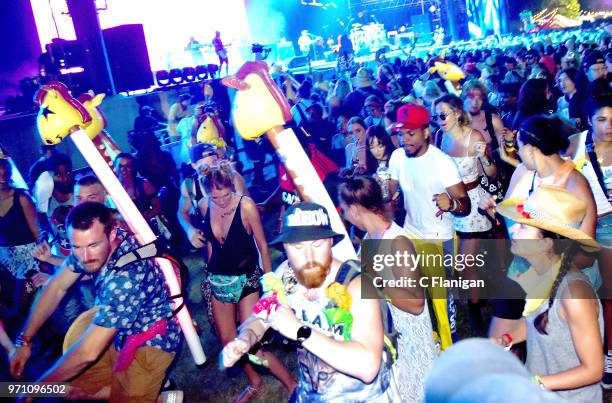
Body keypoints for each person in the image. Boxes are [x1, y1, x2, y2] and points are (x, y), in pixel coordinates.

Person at [221, 202, 397, 402]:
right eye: (298, 247)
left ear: (330, 241)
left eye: (317, 244)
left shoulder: (357, 285)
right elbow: (260, 317)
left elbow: (367, 368)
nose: (309, 257)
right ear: (285, 247)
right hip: (311, 395)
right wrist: (245, 337)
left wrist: (300, 330)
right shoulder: (285, 277)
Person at [10, 202, 182, 402]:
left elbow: (87, 353)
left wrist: (34, 389)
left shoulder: (127, 277)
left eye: (93, 245)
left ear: (111, 235)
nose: (85, 257)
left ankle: (163, 396)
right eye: (77, 247)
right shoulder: (88, 248)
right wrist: (25, 340)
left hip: (150, 342)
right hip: (116, 331)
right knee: (76, 389)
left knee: (114, 391)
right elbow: (56, 287)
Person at [480, 114, 598, 341]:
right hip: (519, 270)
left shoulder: (575, 184)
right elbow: (516, 226)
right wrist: (496, 212)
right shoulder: (524, 173)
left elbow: (587, 253)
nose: (516, 152)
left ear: (532, 148)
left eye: (519, 145)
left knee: (543, 346)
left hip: (555, 285)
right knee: (498, 341)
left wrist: (546, 270)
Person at [494, 185, 603, 402]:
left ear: (546, 243)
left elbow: (594, 369)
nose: (514, 230)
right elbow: (545, 324)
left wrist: (533, 383)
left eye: (524, 228)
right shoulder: (540, 275)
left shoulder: (574, 294)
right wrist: (506, 338)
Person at [197, 164, 296, 401]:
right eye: (214, 196)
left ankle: (291, 384)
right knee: (227, 341)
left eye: (225, 195)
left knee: (249, 342)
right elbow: (211, 243)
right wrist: (209, 272)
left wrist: (271, 284)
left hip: (246, 279)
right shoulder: (204, 206)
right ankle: (254, 380)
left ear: (232, 187)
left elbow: (262, 245)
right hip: (219, 281)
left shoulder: (246, 206)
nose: (220, 201)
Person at [338, 176, 436, 402]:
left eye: (344, 209)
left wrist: (375, 282)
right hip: (390, 335)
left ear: (354, 209)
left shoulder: (397, 241)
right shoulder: (368, 239)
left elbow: (416, 303)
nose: (344, 215)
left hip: (409, 338)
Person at [388, 103, 470, 345]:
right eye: (401, 134)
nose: (404, 140)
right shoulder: (397, 157)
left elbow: (465, 206)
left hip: (439, 238)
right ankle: (424, 343)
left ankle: (449, 348)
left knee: (441, 303)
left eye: (410, 133)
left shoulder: (442, 163)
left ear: (425, 132)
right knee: (412, 296)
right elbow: (390, 194)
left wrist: (452, 204)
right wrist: (384, 193)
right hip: (410, 234)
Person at [433, 94, 496, 334]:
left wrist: (487, 159)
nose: (439, 120)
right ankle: (466, 307)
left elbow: (489, 171)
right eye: (436, 116)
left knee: (465, 263)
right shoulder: (441, 137)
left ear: (457, 113)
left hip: (473, 206)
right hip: (451, 206)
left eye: (442, 115)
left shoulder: (475, 137)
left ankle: (476, 313)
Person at [567, 95, 612, 387]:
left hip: (608, 225)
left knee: (608, 294)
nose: (609, 126)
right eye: (602, 119)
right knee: (582, 292)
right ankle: (585, 352)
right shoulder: (575, 143)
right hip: (579, 225)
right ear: (588, 120)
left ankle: (607, 355)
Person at [177, 143, 247, 249]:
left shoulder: (232, 177)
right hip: (211, 244)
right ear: (194, 165)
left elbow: (247, 208)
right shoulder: (189, 186)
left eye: (214, 162)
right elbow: (182, 212)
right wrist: (190, 230)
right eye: (204, 165)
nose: (210, 168)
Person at [0, 159, 41, 320]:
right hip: (6, 259)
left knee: (24, 302)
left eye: (5, 172)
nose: (2, 176)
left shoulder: (21, 197)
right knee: (16, 305)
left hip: (28, 257)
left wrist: (44, 261)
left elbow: (37, 231)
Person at [33, 152, 74, 257]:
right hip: (64, 258)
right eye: (58, 175)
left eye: (68, 173)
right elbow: (42, 218)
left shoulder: (81, 191)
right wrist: (45, 236)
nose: (65, 178)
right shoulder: (46, 197)